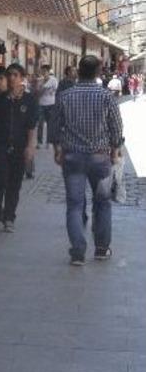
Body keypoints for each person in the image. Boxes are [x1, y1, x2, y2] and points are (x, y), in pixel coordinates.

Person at [52, 55, 124, 266]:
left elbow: (55, 127)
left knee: (74, 205)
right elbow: (116, 127)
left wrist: (57, 150)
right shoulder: (106, 96)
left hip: (73, 157)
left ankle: (77, 252)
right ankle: (101, 248)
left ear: (78, 70)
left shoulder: (65, 96)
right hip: (100, 159)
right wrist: (115, 149)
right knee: (102, 203)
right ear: (98, 71)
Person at [0, 63, 39, 234]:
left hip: (20, 147)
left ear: (22, 78)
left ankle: (9, 217)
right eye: (9, 75)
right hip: (0, 146)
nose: (11, 78)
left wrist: (30, 146)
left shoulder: (30, 100)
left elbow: (32, 126)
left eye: (15, 75)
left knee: (14, 184)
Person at [36, 65, 58, 148]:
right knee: (40, 123)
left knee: (50, 124)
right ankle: (39, 142)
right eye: (42, 71)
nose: (43, 73)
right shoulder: (40, 80)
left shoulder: (54, 80)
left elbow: (54, 91)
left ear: (49, 72)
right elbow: (38, 92)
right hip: (41, 104)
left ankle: (48, 142)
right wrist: (43, 88)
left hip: (51, 104)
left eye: (45, 71)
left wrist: (43, 89)